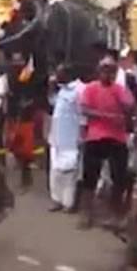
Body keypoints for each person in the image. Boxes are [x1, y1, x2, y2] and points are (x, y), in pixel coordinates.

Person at [79, 56, 136, 229]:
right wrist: (109, 116)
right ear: (98, 70)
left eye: (111, 69)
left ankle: (115, 215)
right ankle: (86, 215)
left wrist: (125, 106)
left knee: (119, 178)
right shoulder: (90, 88)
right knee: (89, 178)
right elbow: (85, 109)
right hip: (95, 137)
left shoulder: (120, 89)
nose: (107, 73)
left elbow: (130, 107)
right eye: (104, 69)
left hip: (116, 137)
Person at [47, 64, 83, 212]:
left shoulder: (78, 90)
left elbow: (82, 115)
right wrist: (51, 87)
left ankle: (69, 203)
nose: (56, 76)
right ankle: (57, 200)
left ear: (68, 74)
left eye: (59, 73)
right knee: (55, 170)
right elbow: (52, 102)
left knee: (69, 172)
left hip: (71, 137)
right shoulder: (62, 90)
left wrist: (81, 135)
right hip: (56, 136)